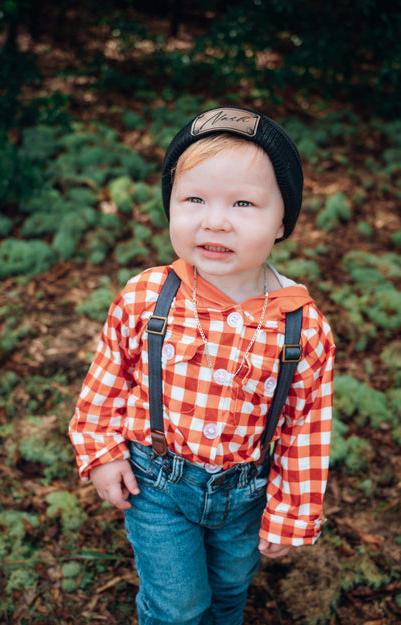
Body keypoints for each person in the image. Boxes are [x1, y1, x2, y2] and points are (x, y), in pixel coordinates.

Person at [69, 106, 335, 625]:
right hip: (157, 483)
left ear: (283, 220)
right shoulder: (148, 296)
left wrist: (292, 511)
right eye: (194, 199)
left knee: (230, 590)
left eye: (243, 202)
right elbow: (108, 376)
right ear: (170, 206)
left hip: (247, 491)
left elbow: (307, 427)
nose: (215, 220)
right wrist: (101, 451)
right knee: (178, 606)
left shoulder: (301, 327)